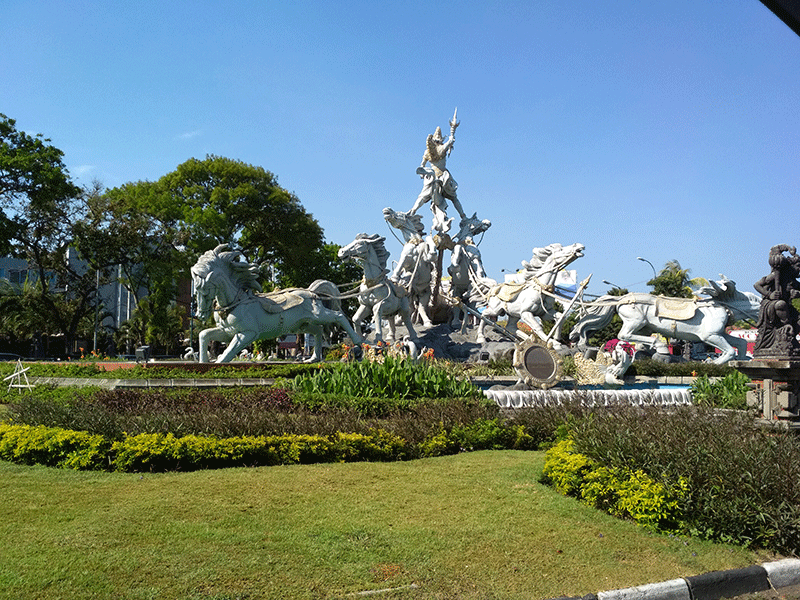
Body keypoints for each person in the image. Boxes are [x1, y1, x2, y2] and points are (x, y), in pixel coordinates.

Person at [408, 120, 467, 235]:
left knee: (422, 196)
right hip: (443, 178)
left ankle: (412, 211)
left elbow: (422, 166)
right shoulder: (442, 149)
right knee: (454, 198)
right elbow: (451, 140)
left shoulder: (427, 152)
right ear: (440, 141)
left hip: (431, 178)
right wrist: (453, 130)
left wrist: (422, 174)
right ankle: (463, 216)